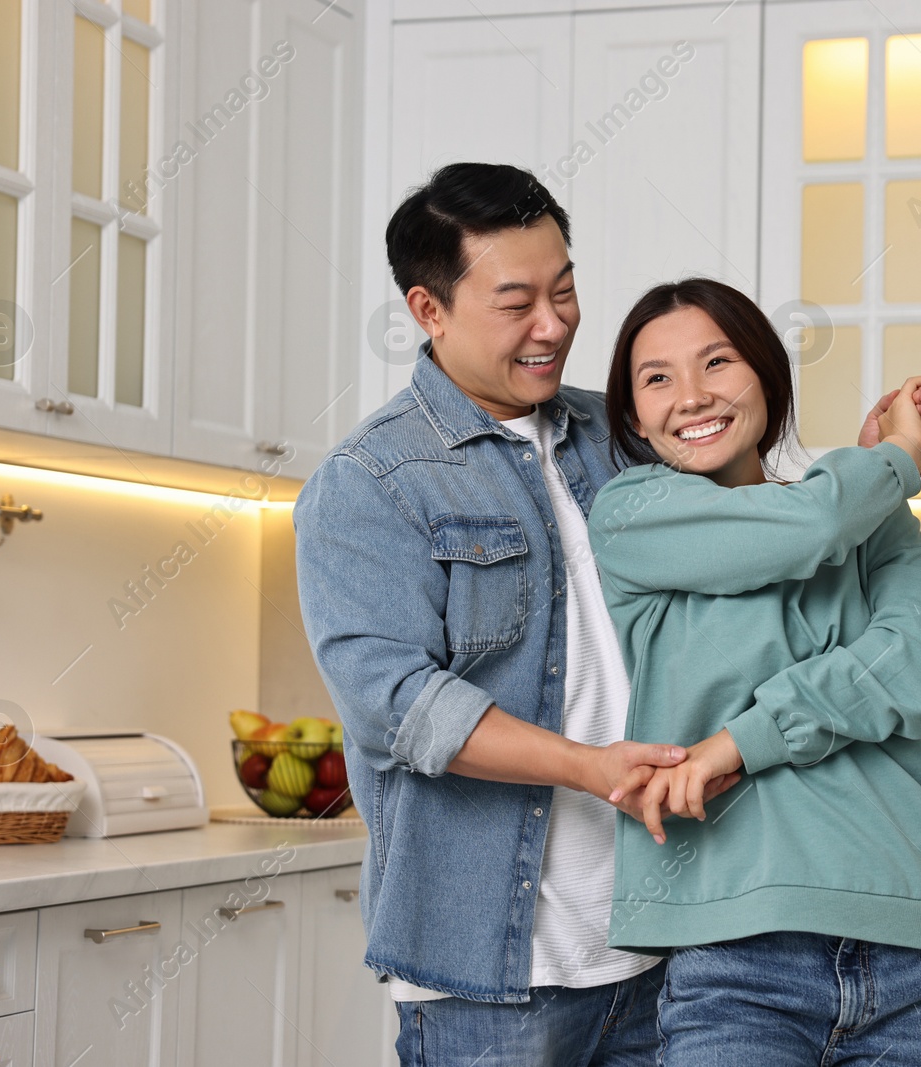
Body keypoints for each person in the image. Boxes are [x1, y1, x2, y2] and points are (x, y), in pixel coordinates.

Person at [294, 164, 749, 1066]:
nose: (554, 326)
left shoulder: (619, 431)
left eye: (566, 289)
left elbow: (742, 536)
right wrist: (589, 768)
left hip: (669, 942)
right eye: (516, 304)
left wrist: (862, 471)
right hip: (494, 978)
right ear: (429, 310)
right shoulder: (368, 482)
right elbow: (400, 706)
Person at [589, 278, 921, 1065]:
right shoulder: (633, 513)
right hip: (736, 959)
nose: (693, 395)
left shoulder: (864, 512)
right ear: (633, 414)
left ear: (767, 377)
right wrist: (894, 459)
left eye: (719, 361)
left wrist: (739, 741)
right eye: (657, 378)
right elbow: (807, 526)